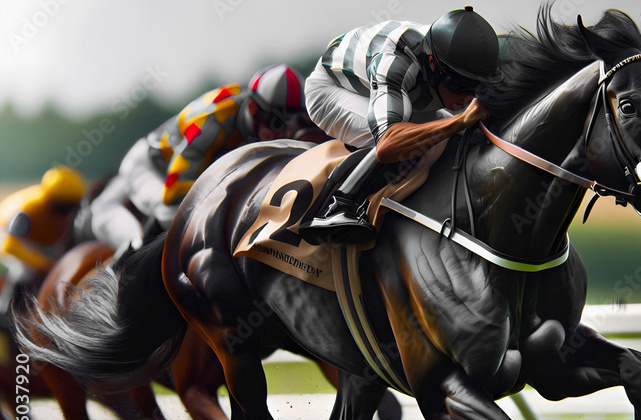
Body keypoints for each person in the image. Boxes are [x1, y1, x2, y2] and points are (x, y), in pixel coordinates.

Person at [299, 6, 501, 245]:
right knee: (415, 145)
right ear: (434, 66)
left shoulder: (453, 61)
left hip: (398, 88)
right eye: (460, 86)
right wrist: (458, 121)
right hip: (332, 89)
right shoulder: (396, 62)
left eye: (476, 88)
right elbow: (388, 143)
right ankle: (337, 207)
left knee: (441, 137)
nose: (469, 98)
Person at [87, 64, 314, 255]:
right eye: (276, 123)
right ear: (253, 108)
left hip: (183, 167)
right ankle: (125, 270)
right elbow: (175, 194)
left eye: (292, 124)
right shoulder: (213, 122)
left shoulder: (257, 117)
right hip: (151, 167)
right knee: (172, 216)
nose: (284, 134)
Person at [0, 166, 85, 314]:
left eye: (73, 209)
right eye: (61, 209)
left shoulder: (72, 214)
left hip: (44, 244)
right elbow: (9, 246)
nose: (67, 217)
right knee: (22, 271)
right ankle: (6, 312)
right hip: (12, 238)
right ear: (48, 202)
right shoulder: (28, 208)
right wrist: (45, 265)